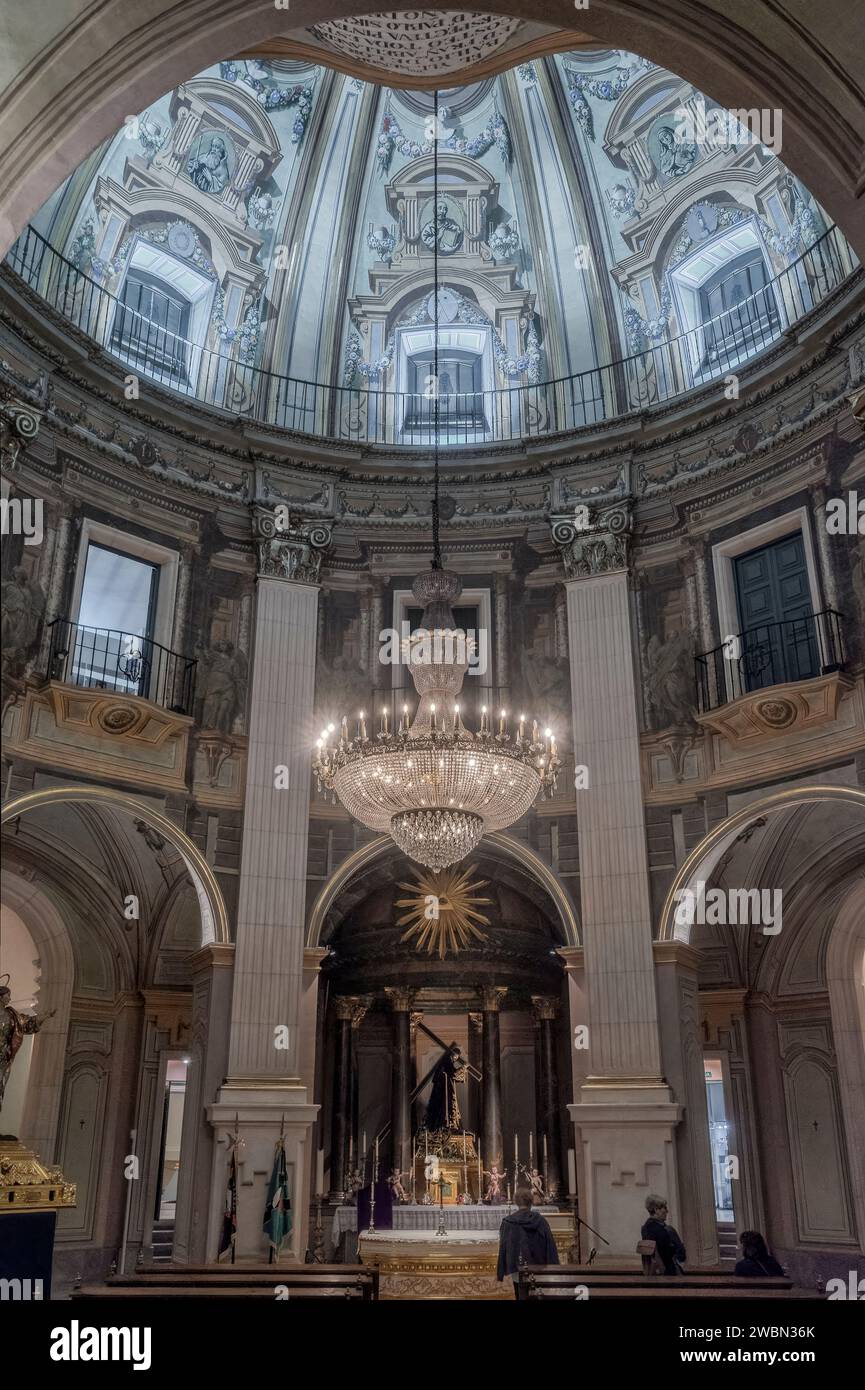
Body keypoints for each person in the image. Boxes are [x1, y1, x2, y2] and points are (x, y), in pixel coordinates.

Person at [496, 1185, 559, 1298]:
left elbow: (503, 1246)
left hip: (517, 1267)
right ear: (531, 1202)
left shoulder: (508, 1222)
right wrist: (554, 1267)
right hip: (538, 1266)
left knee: (520, 1294)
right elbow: (550, 1244)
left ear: (516, 1202)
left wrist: (501, 1271)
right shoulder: (540, 1220)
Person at [641, 1194, 686, 1275]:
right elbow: (681, 1255)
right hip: (669, 1274)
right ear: (656, 1210)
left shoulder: (644, 1229)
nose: (667, 1211)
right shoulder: (666, 1230)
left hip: (652, 1274)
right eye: (664, 1208)